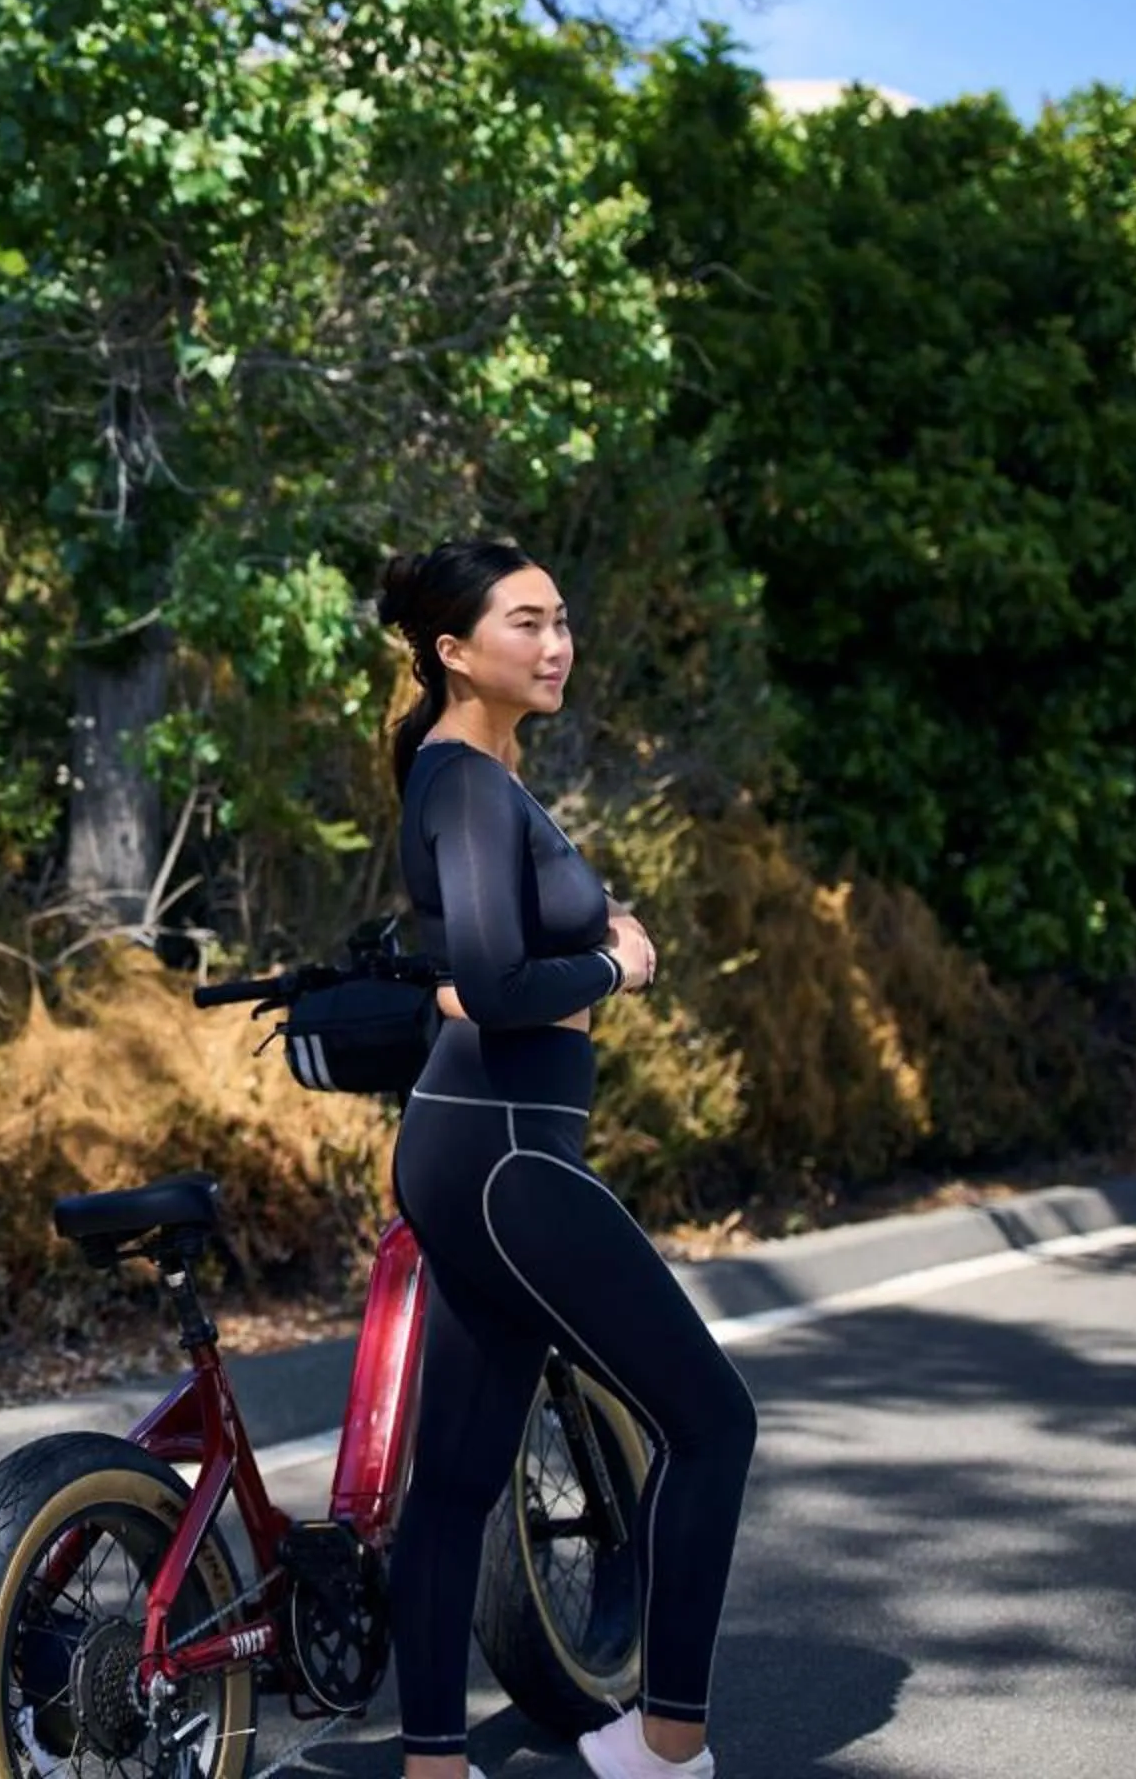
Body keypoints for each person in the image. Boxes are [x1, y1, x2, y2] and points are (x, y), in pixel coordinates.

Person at [374, 537, 758, 1779]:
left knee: (458, 1482)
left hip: (472, 1148)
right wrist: (621, 961)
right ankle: (666, 1744)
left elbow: (465, 966)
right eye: (525, 623)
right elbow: (489, 982)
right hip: (505, 1160)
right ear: (453, 651)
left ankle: (435, 1761)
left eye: (561, 620)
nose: (555, 643)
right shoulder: (469, 782)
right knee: (712, 1422)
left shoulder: (470, 774)